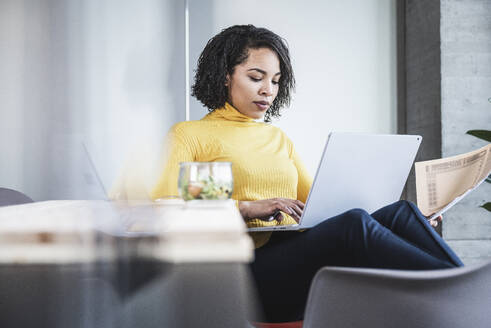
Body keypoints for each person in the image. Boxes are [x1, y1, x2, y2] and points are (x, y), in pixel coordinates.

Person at [151, 24, 463, 323]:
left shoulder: (277, 139)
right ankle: (460, 289)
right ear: (224, 76)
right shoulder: (192, 136)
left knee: (402, 212)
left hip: (290, 257)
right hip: (244, 276)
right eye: (256, 77)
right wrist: (247, 208)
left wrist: (396, 219)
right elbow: (171, 212)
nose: (268, 90)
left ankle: (466, 288)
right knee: (354, 225)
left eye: (275, 80)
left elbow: (321, 209)